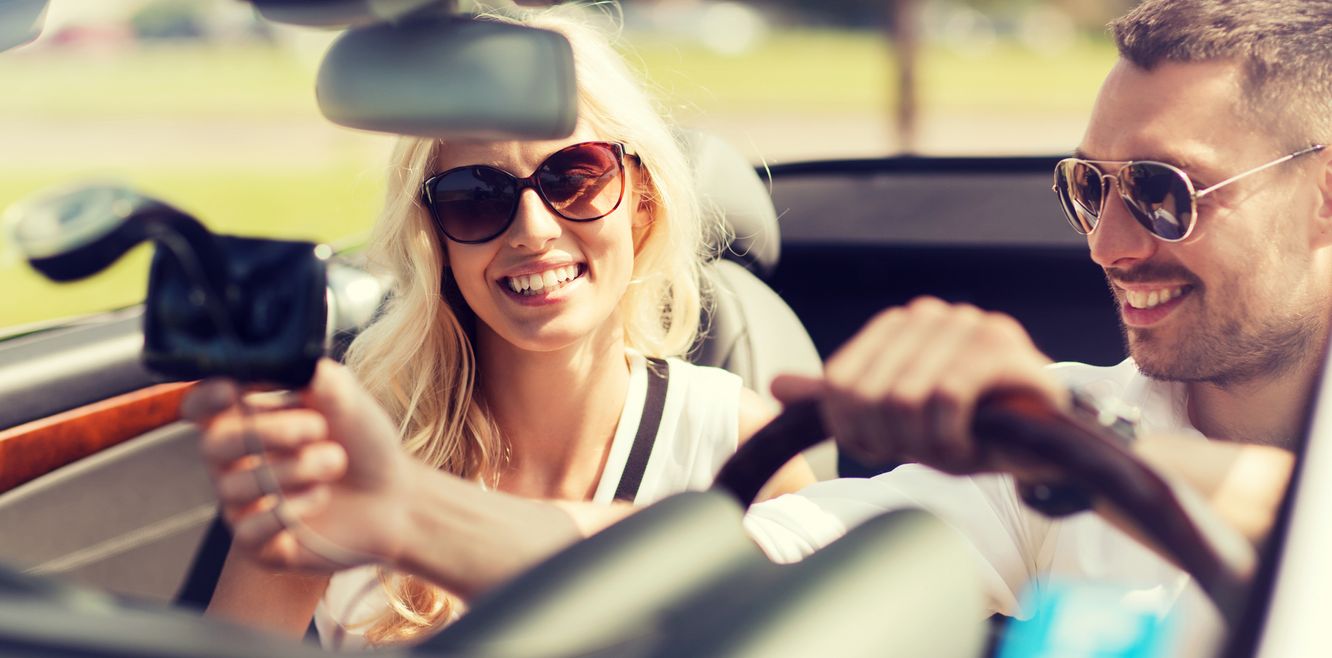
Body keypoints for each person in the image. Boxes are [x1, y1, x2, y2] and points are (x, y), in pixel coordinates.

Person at [183, 0, 1326, 652]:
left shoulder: (1063, 443)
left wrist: (1085, 459)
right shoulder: (1048, 438)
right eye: (1091, 188)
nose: (1110, 243)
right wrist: (403, 508)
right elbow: (721, 569)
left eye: (1166, 193)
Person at [193, 7, 813, 649]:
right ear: (434, 239)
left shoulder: (747, 450)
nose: (533, 229)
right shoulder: (343, 458)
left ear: (642, 200)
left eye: (575, 177)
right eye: (474, 196)